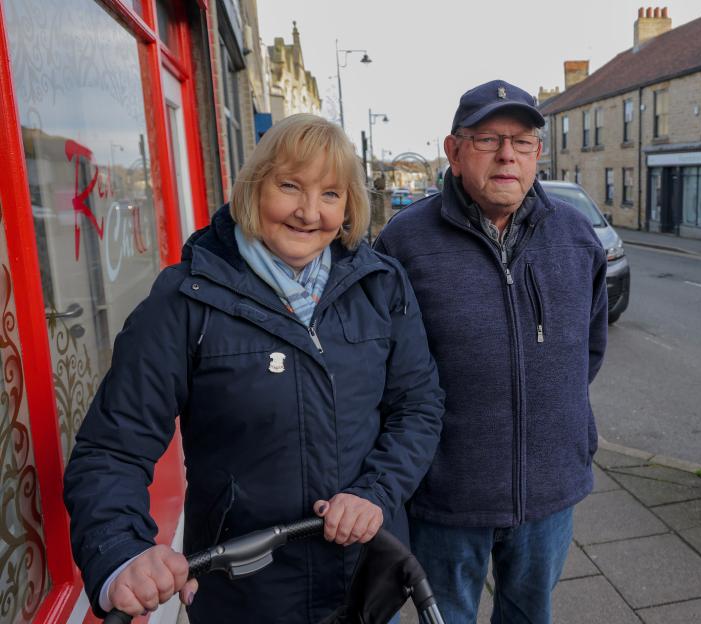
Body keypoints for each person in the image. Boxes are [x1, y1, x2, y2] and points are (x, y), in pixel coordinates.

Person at [63, 114, 444, 623]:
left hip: (368, 579)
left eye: (331, 194)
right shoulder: (185, 300)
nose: (310, 212)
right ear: (254, 187)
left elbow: (417, 407)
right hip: (244, 594)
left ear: (349, 206)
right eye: (290, 186)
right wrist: (121, 553)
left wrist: (374, 493)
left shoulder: (381, 285)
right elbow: (111, 448)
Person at [374, 80, 608, 623]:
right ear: (453, 151)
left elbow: (587, 353)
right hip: (446, 494)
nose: (507, 155)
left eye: (522, 142)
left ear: (537, 155)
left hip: (550, 489)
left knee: (530, 614)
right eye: (487, 139)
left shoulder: (575, 236)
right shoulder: (405, 242)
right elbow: (385, 371)